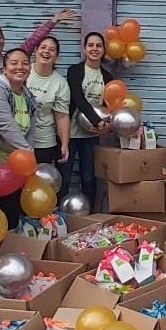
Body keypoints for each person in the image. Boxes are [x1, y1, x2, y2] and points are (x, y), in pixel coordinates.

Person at [0, 48, 38, 230]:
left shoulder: (27, 96)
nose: (20, 67)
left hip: (12, 167)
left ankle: (10, 253)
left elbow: (30, 131)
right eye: (14, 63)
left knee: (12, 216)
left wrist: (27, 160)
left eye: (25, 63)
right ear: (4, 69)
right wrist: (29, 154)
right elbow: (5, 125)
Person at [60, 31, 113, 204]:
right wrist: (97, 121)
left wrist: (104, 125)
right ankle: (58, 216)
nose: (94, 49)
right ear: (84, 48)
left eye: (98, 45)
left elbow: (109, 105)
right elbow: (78, 98)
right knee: (65, 177)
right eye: (90, 45)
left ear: (104, 50)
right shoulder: (74, 71)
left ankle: (88, 216)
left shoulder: (107, 77)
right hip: (70, 133)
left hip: (91, 136)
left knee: (89, 178)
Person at [27, 36, 70, 164]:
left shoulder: (60, 83)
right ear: (36, 50)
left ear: (56, 56)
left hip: (44, 142)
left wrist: (64, 144)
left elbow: (62, 116)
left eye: (51, 50)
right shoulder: (23, 71)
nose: (46, 52)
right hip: (17, 139)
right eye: (43, 47)